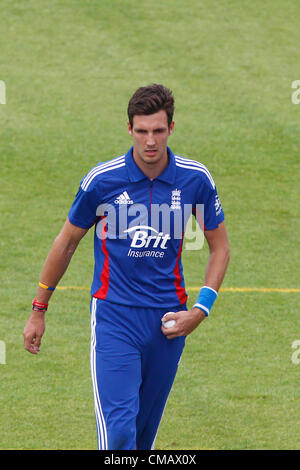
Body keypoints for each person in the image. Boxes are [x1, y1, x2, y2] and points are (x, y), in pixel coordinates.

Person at [23, 84, 230, 450]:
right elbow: (67, 242)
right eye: (142, 131)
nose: (150, 141)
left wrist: (200, 311)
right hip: (114, 319)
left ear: (171, 128)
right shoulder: (102, 180)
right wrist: (39, 309)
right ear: (129, 129)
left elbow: (220, 247)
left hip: (168, 324)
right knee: (119, 436)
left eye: (158, 131)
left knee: (142, 439)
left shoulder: (196, 180)